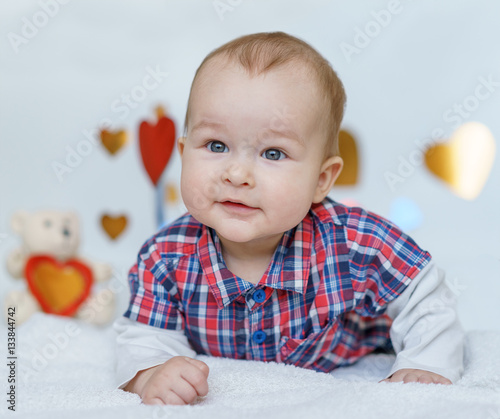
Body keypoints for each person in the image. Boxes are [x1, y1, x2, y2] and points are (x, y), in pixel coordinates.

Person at [113, 31, 464, 406]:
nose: (236, 173)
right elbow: (144, 335)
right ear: (184, 153)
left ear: (321, 180)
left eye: (274, 153)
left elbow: (424, 294)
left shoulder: (352, 242)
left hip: (354, 353)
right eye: (216, 146)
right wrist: (151, 371)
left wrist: (425, 363)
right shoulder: (165, 257)